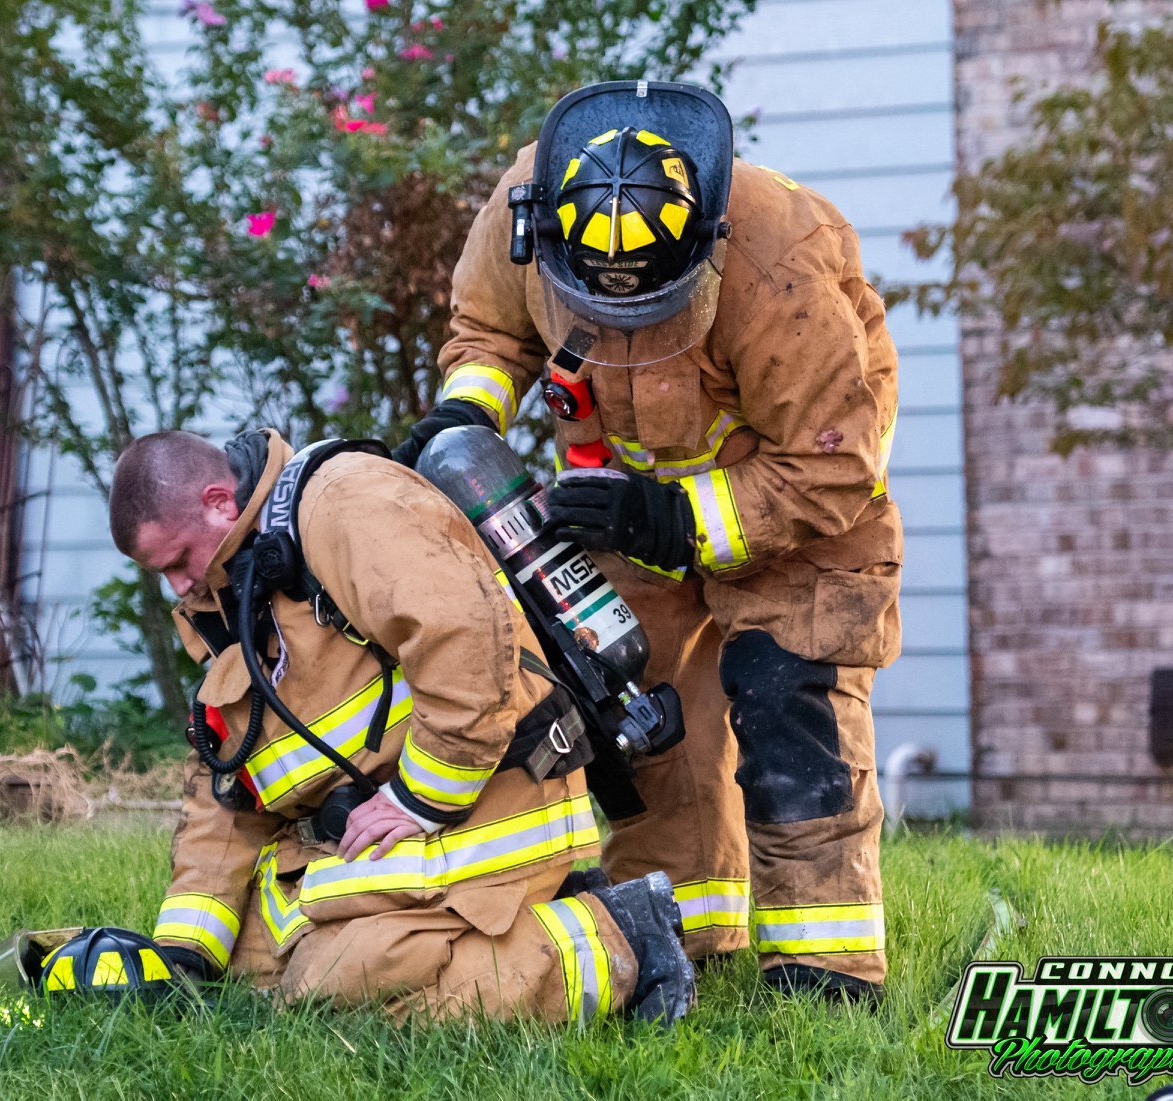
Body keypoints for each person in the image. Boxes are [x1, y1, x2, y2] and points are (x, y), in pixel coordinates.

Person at [395, 80, 901, 1001]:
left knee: (790, 705)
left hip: (797, 509)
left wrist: (674, 519)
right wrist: (461, 422)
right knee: (638, 707)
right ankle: (686, 926)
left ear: (702, 240)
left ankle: (826, 969)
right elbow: (488, 333)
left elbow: (833, 466)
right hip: (625, 496)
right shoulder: (527, 202)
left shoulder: (778, 260)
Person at [109, 427, 696, 1023]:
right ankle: (542, 922)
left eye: (179, 560)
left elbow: (467, 639)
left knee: (332, 988)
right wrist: (184, 952)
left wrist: (418, 797)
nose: (179, 586)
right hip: (370, 833)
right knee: (252, 977)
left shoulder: (345, 502)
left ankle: (622, 937)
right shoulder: (228, 593)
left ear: (218, 501)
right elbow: (225, 782)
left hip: (482, 806)